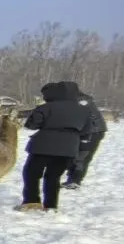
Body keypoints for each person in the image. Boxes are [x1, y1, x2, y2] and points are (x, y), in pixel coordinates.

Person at [16, 81, 91, 211]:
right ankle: (51, 205)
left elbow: (31, 125)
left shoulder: (46, 107)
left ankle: (31, 201)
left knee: (31, 173)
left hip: (42, 146)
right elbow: (86, 131)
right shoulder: (84, 110)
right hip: (68, 148)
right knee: (53, 176)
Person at [64, 89, 108, 189]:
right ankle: (72, 179)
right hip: (88, 132)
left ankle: (75, 181)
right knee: (76, 156)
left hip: (92, 132)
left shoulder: (82, 102)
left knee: (82, 157)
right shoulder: (78, 101)